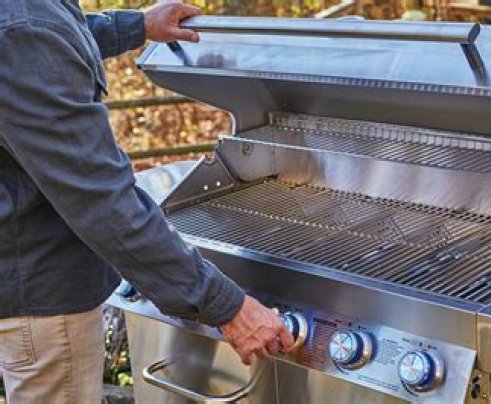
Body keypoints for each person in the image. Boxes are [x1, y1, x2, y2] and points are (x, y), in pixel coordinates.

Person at [0, 1, 293, 402]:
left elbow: (47, 41)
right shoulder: (24, 29)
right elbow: (101, 200)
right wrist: (227, 307)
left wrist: (135, 25)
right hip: (41, 289)